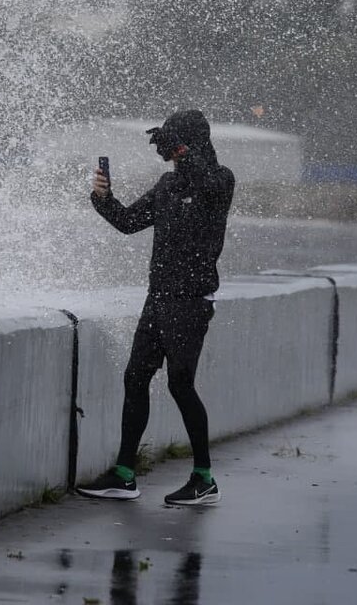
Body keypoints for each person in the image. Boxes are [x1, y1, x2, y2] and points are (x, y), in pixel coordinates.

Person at [75, 109, 236, 506]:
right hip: (158, 298)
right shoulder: (167, 185)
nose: (171, 154)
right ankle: (125, 473)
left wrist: (182, 149)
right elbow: (128, 222)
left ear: (193, 142)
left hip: (191, 301)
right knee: (135, 378)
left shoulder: (220, 180)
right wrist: (103, 199)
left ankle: (204, 478)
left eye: (177, 143)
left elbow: (203, 178)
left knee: (181, 384)